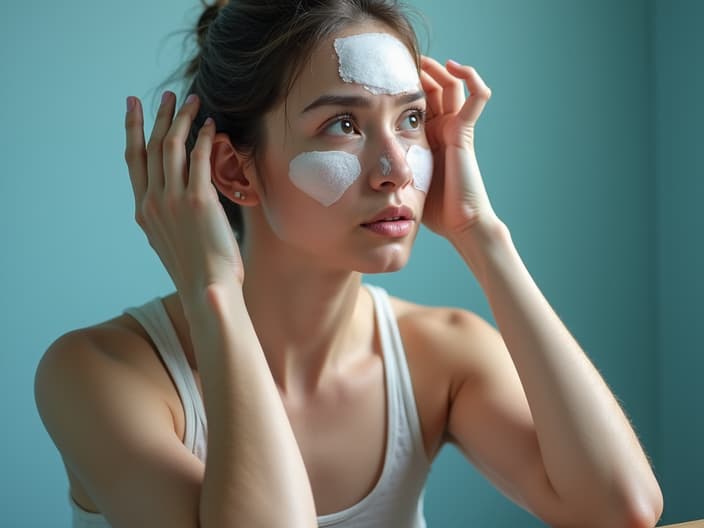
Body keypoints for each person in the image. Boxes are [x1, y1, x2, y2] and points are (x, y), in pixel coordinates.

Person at [34, 1, 664, 527]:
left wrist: (482, 235)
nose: (396, 169)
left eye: (411, 120)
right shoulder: (99, 375)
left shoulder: (441, 354)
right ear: (233, 170)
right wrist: (212, 293)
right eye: (343, 124)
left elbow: (622, 509)